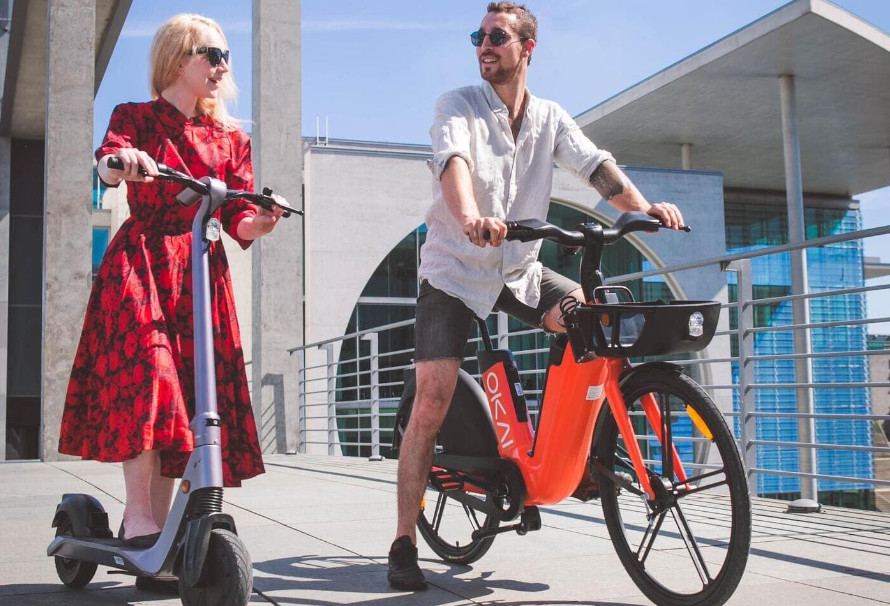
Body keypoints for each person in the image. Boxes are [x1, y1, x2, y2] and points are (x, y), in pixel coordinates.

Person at [387, 1, 685, 591]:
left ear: (527, 47)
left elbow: (595, 165)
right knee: (433, 400)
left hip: (519, 268)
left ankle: (576, 457)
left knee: (594, 317)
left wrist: (643, 208)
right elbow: (453, 162)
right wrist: (472, 216)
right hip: (454, 270)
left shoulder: (548, 116)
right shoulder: (458, 105)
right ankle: (401, 541)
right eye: (478, 36)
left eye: (497, 36)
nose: (483, 45)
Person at [58, 13, 285, 552]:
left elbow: (238, 221)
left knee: (186, 395)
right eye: (212, 53)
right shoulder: (135, 117)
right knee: (150, 379)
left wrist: (263, 220)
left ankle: (160, 530)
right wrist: (124, 163)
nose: (222, 65)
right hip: (142, 262)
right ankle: (139, 518)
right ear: (178, 56)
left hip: (200, 270)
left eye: (226, 56)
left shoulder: (230, 138)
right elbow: (108, 166)